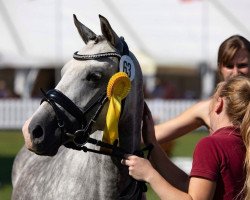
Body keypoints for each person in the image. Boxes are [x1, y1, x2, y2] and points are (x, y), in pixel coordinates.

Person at [122, 76, 250, 199]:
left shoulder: (212, 145)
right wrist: (153, 144)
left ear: (219, 104)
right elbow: (188, 185)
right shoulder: (244, 142)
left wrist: (149, 175)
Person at [155, 35, 250, 143]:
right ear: (220, 68)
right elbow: (158, 132)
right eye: (229, 66)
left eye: (242, 65)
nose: (235, 72)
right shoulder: (209, 107)